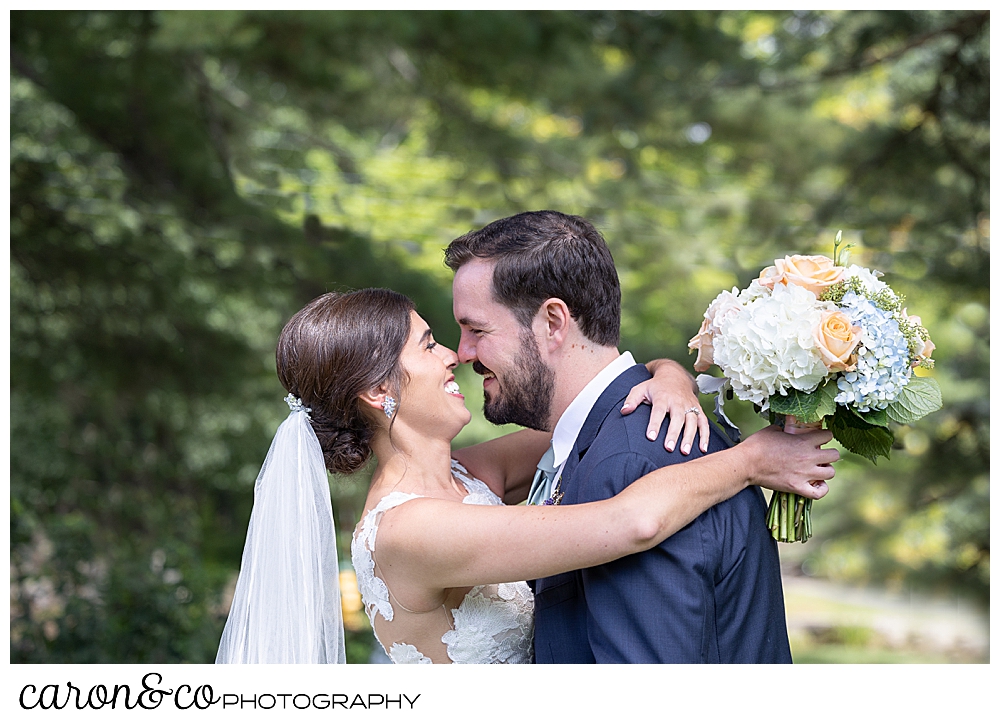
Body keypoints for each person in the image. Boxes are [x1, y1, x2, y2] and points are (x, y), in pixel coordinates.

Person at [216, 287, 837, 664]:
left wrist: (669, 374)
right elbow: (631, 522)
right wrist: (752, 461)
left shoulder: (471, 474)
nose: (454, 355)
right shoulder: (409, 532)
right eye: (429, 344)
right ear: (381, 390)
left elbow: (593, 407)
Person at [444, 210, 817, 662]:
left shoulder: (631, 460)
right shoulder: (610, 436)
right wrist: (670, 370)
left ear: (553, 322)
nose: (462, 353)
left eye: (476, 330)